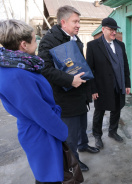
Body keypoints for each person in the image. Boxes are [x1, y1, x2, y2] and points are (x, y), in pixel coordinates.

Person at [0, 19, 68, 184]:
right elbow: (41, 113)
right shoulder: (18, 75)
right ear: (23, 44)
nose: (37, 42)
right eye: (34, 38)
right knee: (49, 178)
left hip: (36, 131)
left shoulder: (15, 65)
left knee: (46, 174)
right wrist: (63, 132)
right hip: (41, 133)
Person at [38, 5, 99, 172]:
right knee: (70, 135)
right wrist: (70, 80)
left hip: (80, 94)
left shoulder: (75, 38)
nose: (78, 25)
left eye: (79, 21)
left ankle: (84, 145)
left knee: (82, 126)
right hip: (65, 97)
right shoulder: (49, 41)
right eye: (75, 21)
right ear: (63, 22)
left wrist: (88, 89)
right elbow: (45, 69)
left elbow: (81, 65)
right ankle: (74, 163)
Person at [86, 17, 131, 149]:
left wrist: (127, 83)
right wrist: (92, 89)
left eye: (115, 30)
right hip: (101, 86)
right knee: (99, 112)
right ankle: (97, 136)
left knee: (117, 109)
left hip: (119, 83)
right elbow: (90, 69)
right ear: (103, 29)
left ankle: (112, 131)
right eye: (111, 29)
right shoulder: (93, 46)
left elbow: (126, 66)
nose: (114, 32)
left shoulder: (120, 45)